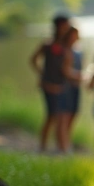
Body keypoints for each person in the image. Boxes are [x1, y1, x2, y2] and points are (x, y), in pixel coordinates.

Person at [29, 14, 71, 152]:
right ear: (59, 26)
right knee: (51, 116)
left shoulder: (66, 46)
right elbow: (33, 59)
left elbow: (66, 68)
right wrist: (43, 75)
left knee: (61, 116)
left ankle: (60, 146)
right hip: (49, 86)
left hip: (61, 86)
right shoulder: (48, 45)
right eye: (65, 25)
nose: (67, 28)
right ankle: (43, 146)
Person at [54, 27, 83, 153]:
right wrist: (80, 76)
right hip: (65, 88)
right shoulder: (64, 51)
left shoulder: (77, 52)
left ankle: (66, 142)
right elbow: (64, 70)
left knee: (72, 115)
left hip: (75, 87)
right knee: (63, 116)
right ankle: (62, 146)